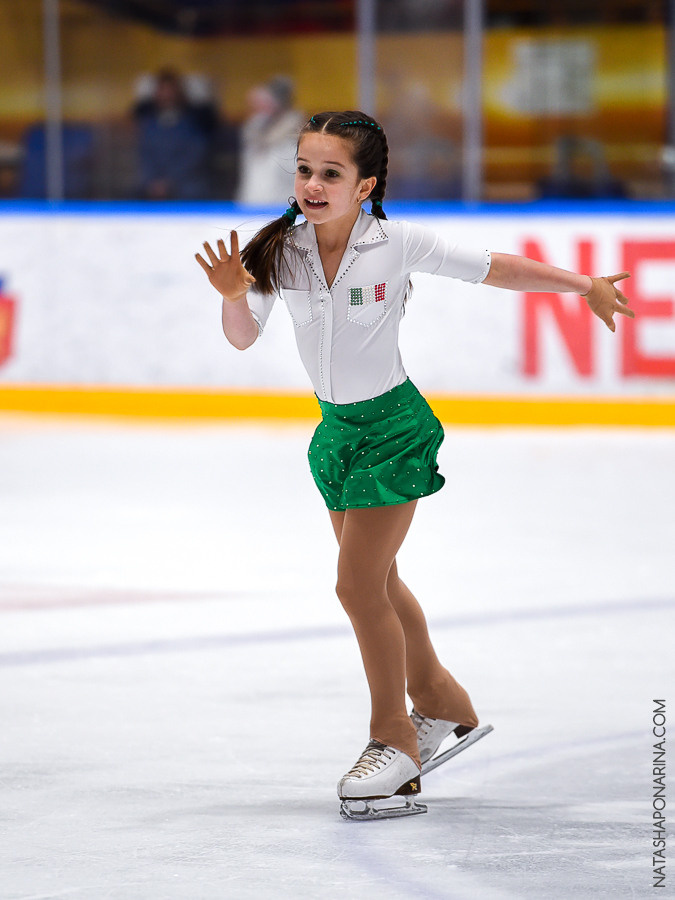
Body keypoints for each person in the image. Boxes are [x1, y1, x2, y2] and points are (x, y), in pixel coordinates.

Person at [195, 110, 635, 821]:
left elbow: (495, 269)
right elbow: (244, 338)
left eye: (330, 173)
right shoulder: (278, 249)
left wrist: (581, 284)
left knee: (355, 584)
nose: (312, 183)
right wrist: (231, 299)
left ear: (365, 184)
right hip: (334, 435)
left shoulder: (394, 243)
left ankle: (393, 742)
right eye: (304, 169)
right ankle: (441, 700)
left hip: (395, 430)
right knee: (381, 580)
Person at [133, 68, 217, 200]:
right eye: (162, 90)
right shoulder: (149, 124)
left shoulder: (194, 123)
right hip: (153, 190)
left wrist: (169, 182)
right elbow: (145, 156)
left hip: (188, 189)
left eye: (170, 90)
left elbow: (195, 156)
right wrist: (153, 182)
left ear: (179, 92)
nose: (167, 95)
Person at [236, 76, 305, 206]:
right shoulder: (254, 127)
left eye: (265, 102)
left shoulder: (296, 133)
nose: (258, 108)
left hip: (280, 207)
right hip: (250, 204)